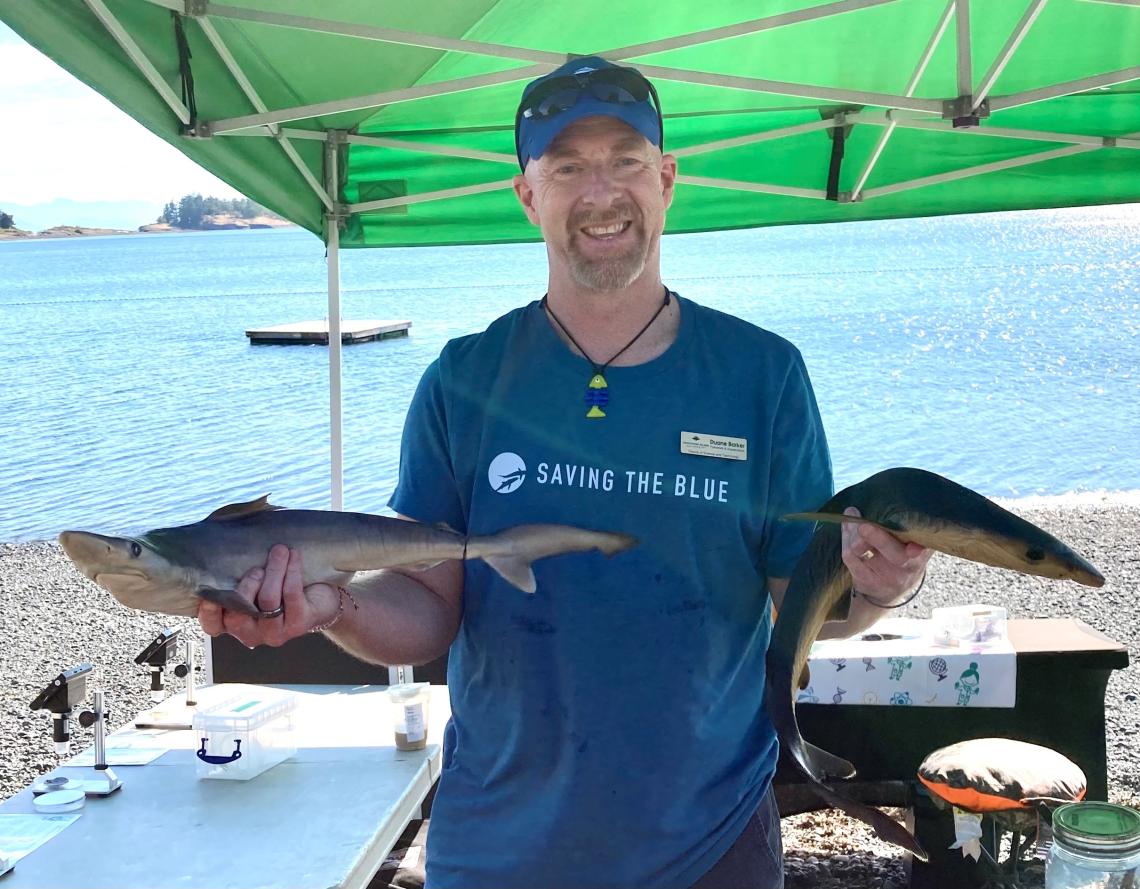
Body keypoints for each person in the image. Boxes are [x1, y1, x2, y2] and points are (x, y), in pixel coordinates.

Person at [198, 56, 931, 889]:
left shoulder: (761, 375)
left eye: (625, 162)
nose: (601, 192)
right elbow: (431, 610)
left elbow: (800, 608)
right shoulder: (466, 378)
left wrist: (878, 585)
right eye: (568, 167)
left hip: (707, 845)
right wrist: (332, 603)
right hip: (498, 848)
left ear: (665, 180)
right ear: (527, 194)